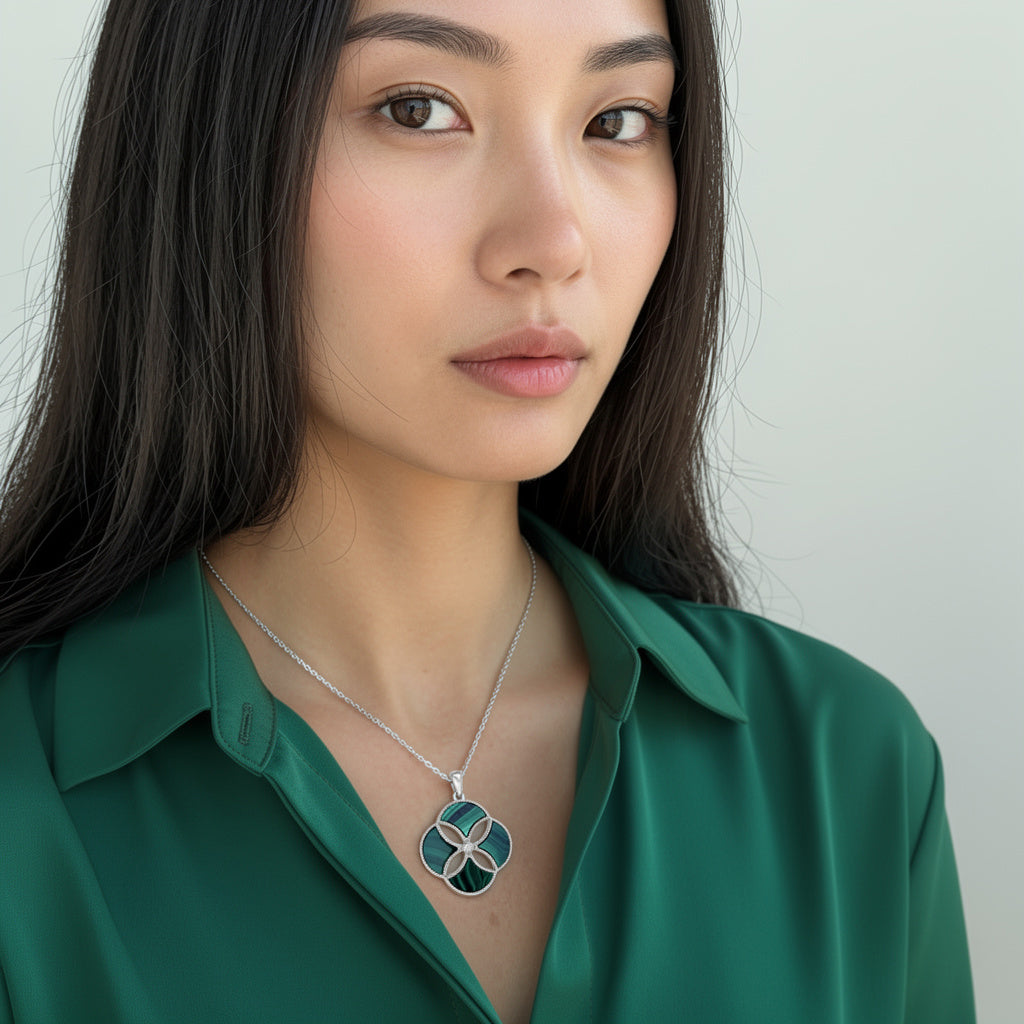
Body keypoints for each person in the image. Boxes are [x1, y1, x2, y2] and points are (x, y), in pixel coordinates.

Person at [0, 0, 974, 1021]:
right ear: (205, 142)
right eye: (418, 109)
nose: (552, 242)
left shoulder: (844, 771)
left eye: (617, 121)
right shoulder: (27, 816)